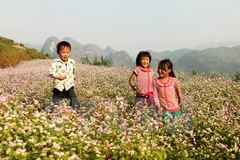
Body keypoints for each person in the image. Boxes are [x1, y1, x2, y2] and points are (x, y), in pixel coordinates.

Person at [49, 41, 80, 110]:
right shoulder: (55, 62)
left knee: (75, 103)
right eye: (63, 52)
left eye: (68, 52)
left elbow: (72, 71)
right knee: (55, 104)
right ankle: (52, 116)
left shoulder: (72, 62)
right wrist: (58, 76)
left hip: (69, 86)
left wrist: (73, 76)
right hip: (59, 87)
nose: (66, 54)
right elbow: (50, 72)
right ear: (58, 52)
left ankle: (76, 115)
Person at [153, 59, 182, 124]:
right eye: (159, 68)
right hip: (164, 111)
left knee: (177, 128)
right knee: (167, 129)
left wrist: (180, 101)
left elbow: (178, 92)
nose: (160, 71)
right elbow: (155, 96)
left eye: (163, 69)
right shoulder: (155, 82)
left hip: (176, 109)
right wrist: (158, 107)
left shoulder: (174, 80)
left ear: (169, 70)